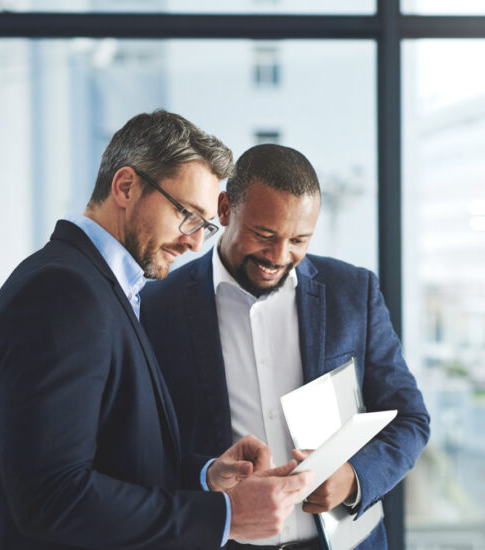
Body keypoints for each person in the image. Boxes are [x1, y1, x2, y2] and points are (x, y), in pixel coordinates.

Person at [0, 111, 313, 550]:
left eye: (205, 228)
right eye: (188, 216)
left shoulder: (102, 286)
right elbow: (51, 496)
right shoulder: (62, 294)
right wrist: (227, 515)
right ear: (126, 187)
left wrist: (205, 475)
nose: (193, 243)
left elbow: (106, 459)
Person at [141, 144, 430, 550]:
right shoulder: (157, 307)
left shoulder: (353, 292)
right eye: (264, 235)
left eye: (299, 239)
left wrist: (353, 478)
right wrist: (206, 473)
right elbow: (145, 448)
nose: (279, 256)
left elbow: (410, 419)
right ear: (224, 210)